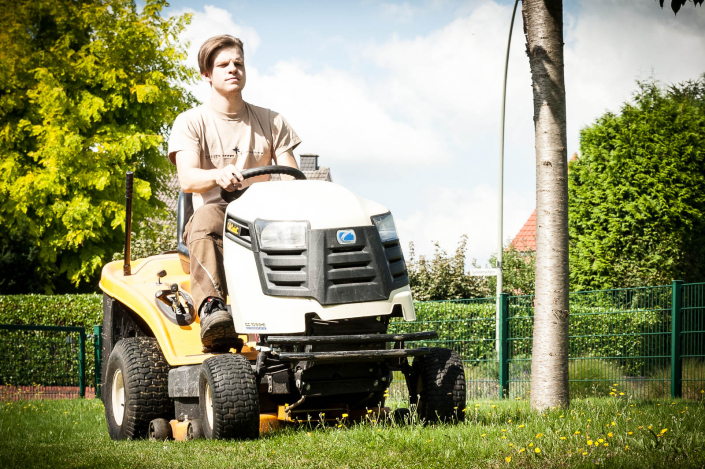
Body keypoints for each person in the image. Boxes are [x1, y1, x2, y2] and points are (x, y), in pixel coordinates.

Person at [167, 35, 301, 351]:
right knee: (205, 218)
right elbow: (187, 179)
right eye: (223, 64)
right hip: (219, 214)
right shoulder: (191, 122)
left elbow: (294, 179)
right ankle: (213, 309)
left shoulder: (272, 121)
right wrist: (217, 175)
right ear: (207, 74)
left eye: (238, 63)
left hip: (265, 217)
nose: (233, 69)